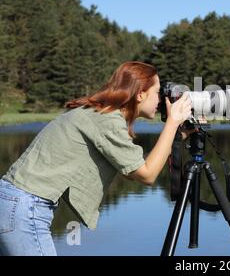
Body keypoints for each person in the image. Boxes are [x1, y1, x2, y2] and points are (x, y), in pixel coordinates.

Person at [0, 61, 195, 256]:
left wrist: (177, 136)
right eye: (157, 92)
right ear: (140, 94)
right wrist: (172, 122)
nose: (161, 100)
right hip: (26, 208)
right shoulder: (107, 120)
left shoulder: (101, 113)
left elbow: (133, 171)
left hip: (15, 203)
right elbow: (148, 175)